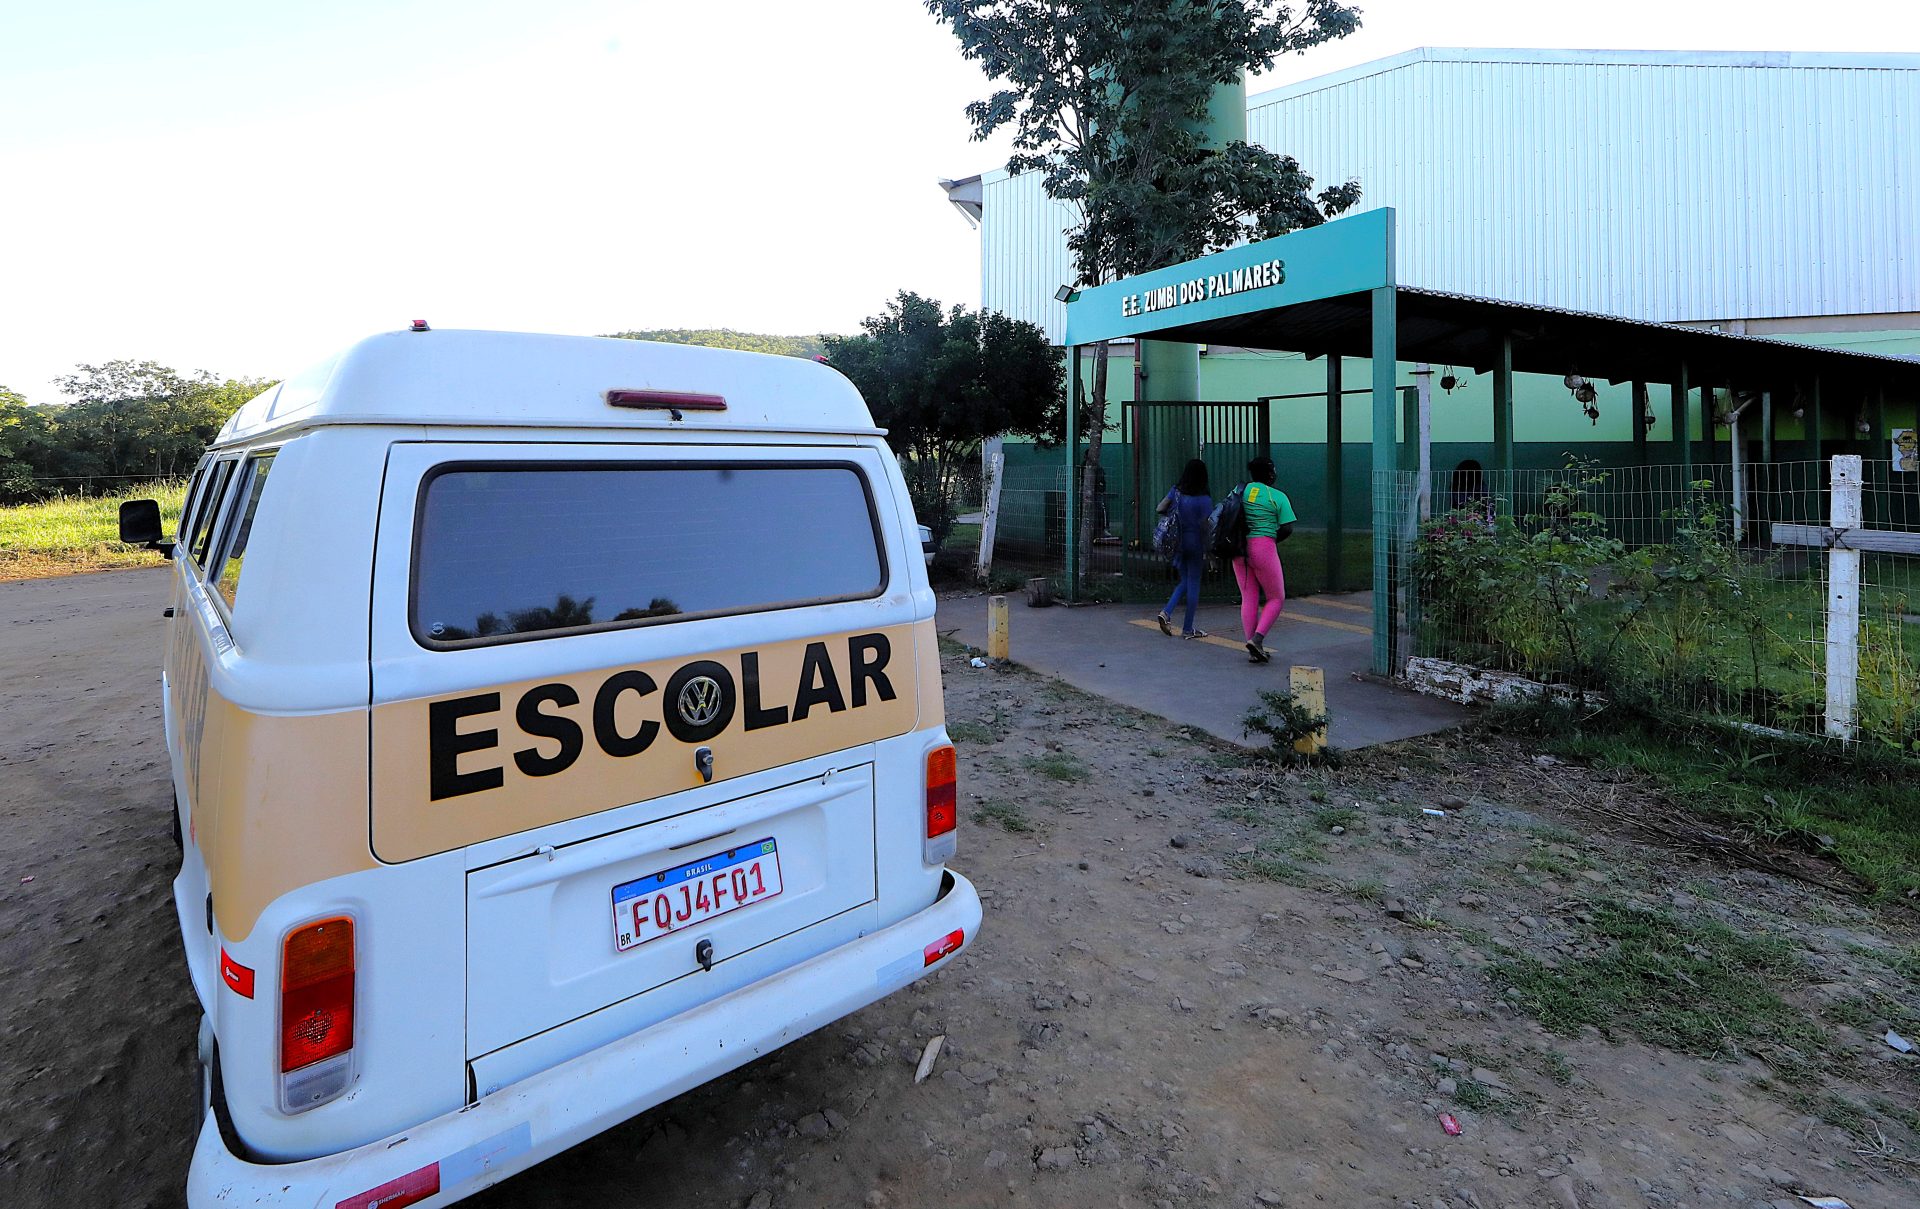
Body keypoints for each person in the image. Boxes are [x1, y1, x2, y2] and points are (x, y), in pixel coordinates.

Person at [1233, 455, 1295, 663]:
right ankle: (1257, 640)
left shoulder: (1240, 492)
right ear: (1270, 473)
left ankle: (1252, 645)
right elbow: (1287, 528)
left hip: (1239, 549)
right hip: (1263, 547)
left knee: (1248, 597)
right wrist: (1269, 541)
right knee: (1276, 597)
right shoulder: (1277, 496)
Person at [1154, 459, 1213, 639]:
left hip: (1177, 542)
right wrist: (1209, 552)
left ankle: (1167, 612)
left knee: (1185, 580)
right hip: (1195, 543)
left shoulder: (1177, 492)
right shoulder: (1204, 499)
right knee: (1193, 583)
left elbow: (1160, 508)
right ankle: (1187, 628)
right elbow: (1206, 526)